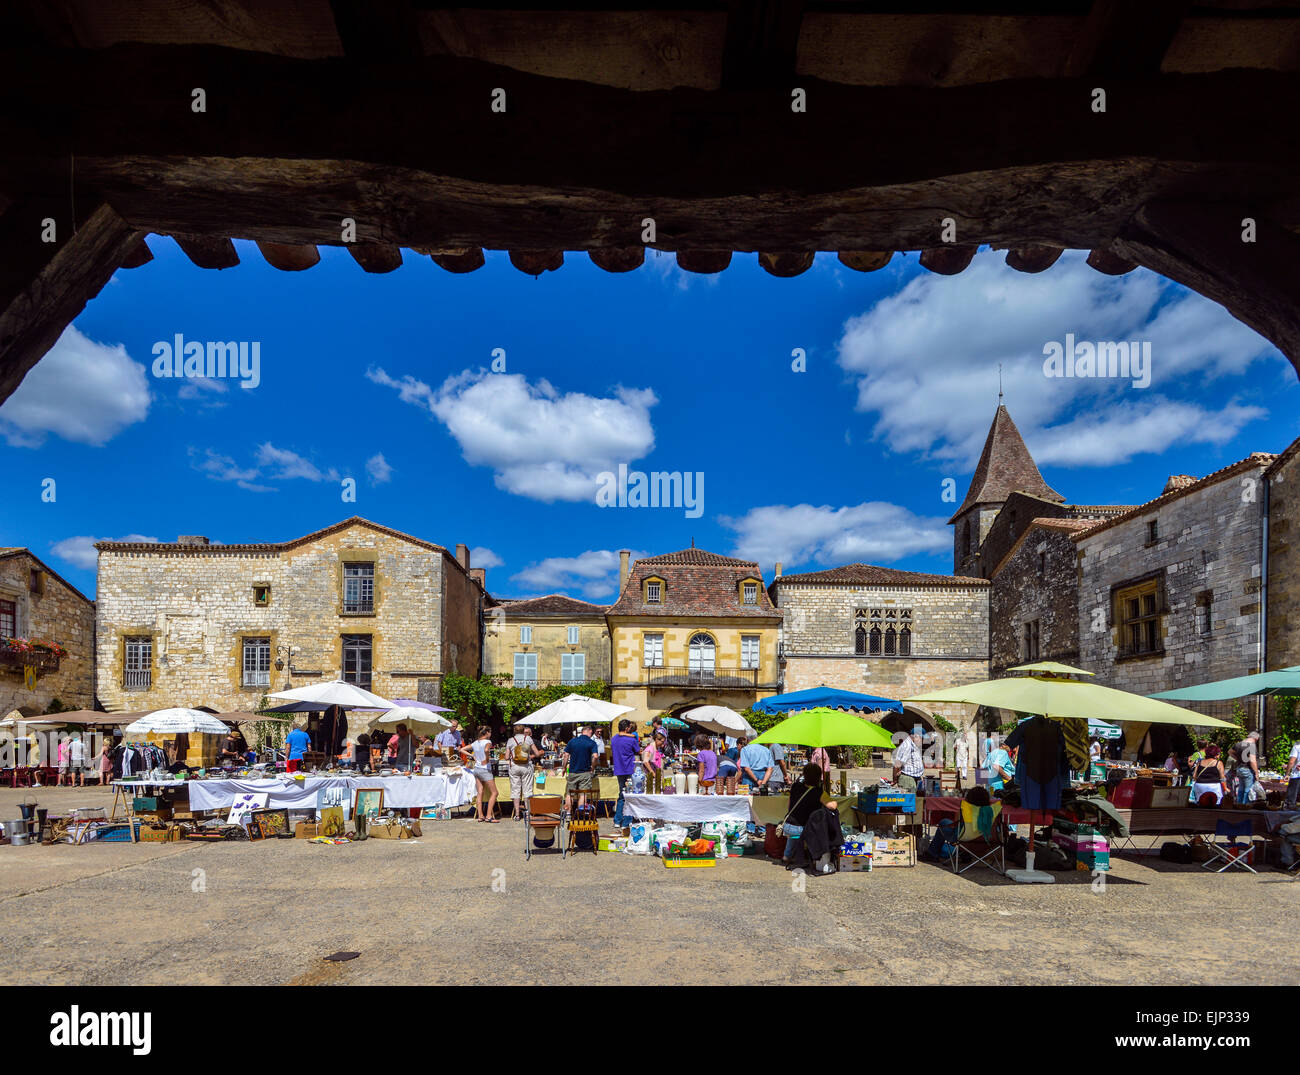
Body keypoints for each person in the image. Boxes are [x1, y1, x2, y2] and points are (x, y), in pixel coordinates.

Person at [782, 762, 826, 863]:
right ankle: (815, 856)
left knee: (794, 831)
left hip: (788, 826)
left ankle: (786, 856)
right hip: (803, 829)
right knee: (818, 829)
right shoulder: (818, 792)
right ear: (818, 777)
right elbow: (832, 805)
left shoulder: (795, 786)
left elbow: (789, 806)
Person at [505, 722, 539, 820]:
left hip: (514, 766)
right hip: (526, 766)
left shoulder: (510, 740)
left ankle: (517, 814)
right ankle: (527, 814)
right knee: (527, 789)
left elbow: (506, 757)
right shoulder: (528, 739)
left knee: (515, 790)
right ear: (523, 730)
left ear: (514, 731)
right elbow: (537, 753)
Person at [563, 724, 600, 813]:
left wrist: (564, 767)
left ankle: (568, 814)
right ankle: (581, 814)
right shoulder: (591, 743)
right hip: (585, 772)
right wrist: (592, 766)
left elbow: (566, 755)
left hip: (573, 771)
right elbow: (595, 756)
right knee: (583, 794)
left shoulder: (572, 741)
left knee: (570, 794)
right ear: (589, 731)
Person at [611, 719, 640, 824]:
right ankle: (627, 821)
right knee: (630, 795)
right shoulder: (632, 740)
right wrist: (633, 737)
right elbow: (638, 750)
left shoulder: (614, 739)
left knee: (621, 795)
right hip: (629, 769)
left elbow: (619, 736)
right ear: (627, 728)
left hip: (619, 769)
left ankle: (617, 820)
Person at [470, 727, 499, 822]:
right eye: (490, 732)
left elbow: (461, 749)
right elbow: (487, 749)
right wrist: (486, 758)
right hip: (485, 769)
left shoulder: (475, 742)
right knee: (494, 793)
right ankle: (489, 816)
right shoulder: (488, 741)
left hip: (477, 768)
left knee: (480, 792)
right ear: (487, 733)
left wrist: (472, 756)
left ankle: (480, 815)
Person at [1234, 730, 1262, 804]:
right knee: (1248, 790)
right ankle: (1246, 805)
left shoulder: (1238, 744)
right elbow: (1253, 760)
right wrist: (1256, 773)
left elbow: (1230, 751)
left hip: (1239, 768)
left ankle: (1239, 804)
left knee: (1241, 788)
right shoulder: (1251, 746)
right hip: (1247, 769)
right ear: (1256, 739)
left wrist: (1238, 758)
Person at [1284, 739, 1300, 810]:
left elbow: (1291, 761)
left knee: (1290, 802)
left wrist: (1287, 773)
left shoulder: (1297, 747)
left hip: (1297, 775)